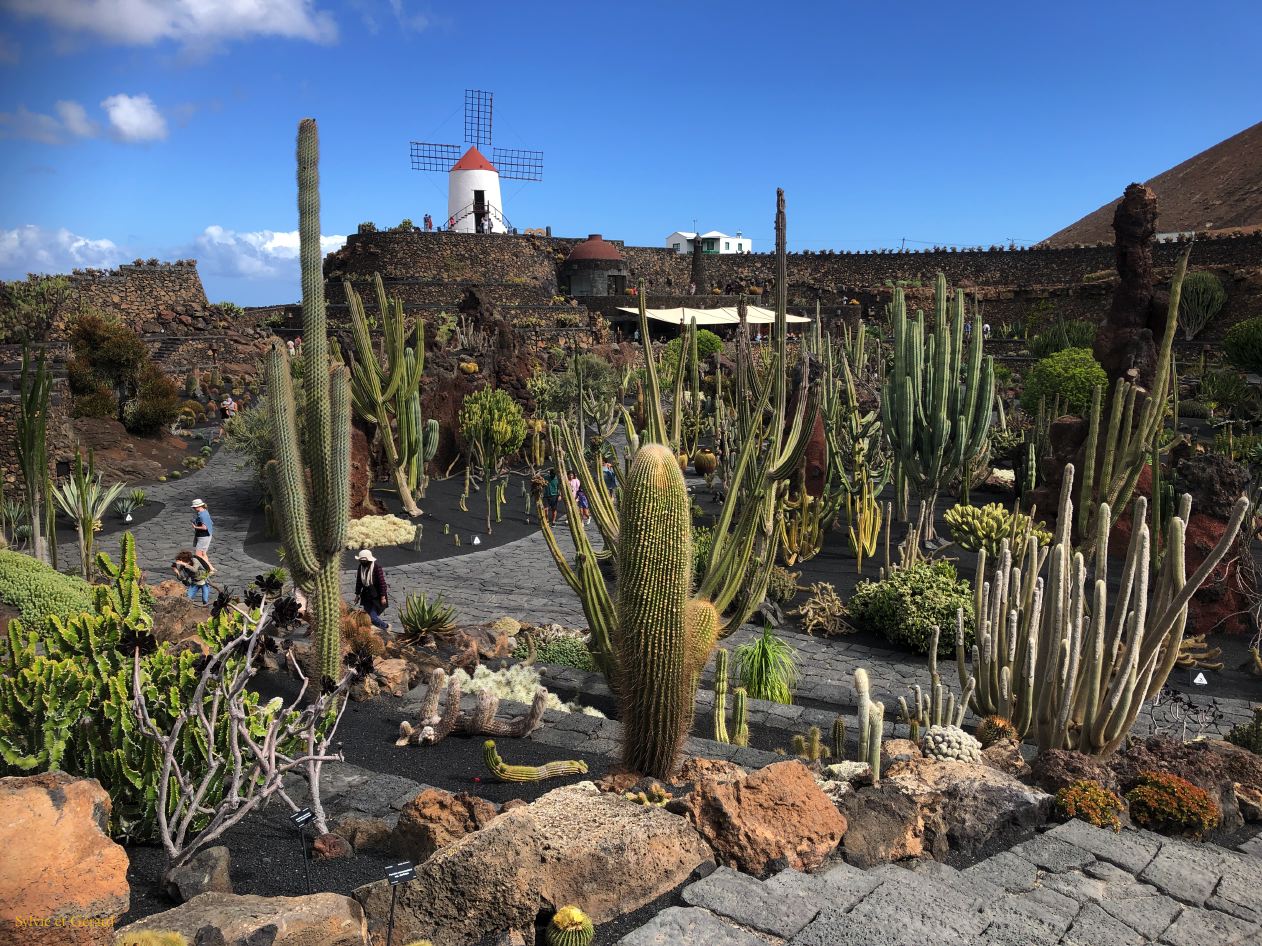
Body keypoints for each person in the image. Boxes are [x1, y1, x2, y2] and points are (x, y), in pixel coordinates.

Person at [354, 549, 390, 632]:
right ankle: (373, 631)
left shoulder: (376, 567)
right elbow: (359, 582)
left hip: (376, 596)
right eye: (361, 560)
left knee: (372, 617)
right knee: (367, 617)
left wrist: (383, 597)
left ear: (369, 560)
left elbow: (382, 583)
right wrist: (357, 594)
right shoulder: (361, 567)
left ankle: (386, 626)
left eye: (364, 561)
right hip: (366, 596)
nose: (362, 562)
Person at [190, 499, 214, 575]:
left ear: (198, 506)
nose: (194, 508)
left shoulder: (202, 515)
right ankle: (211, 568)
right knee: (203, 554)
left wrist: (195, 527)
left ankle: (209, 569)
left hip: (203, 537)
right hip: (206, 536)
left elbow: (204, 527)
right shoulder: (204, 512)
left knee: (198, 555)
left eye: (194, 507)